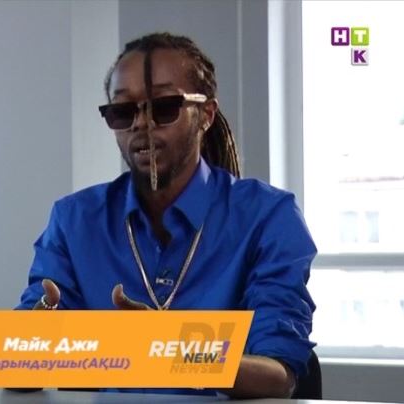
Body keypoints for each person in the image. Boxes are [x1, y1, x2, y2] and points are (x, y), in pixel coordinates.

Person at [16, 32, 316, 399]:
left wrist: (168, 349)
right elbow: (19, 371)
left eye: (163, 107)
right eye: (123, 111)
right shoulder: (75, 220)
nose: (141, 124)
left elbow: (278, 376)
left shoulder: (267, 217)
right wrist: (26, 346)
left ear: (206, 115)